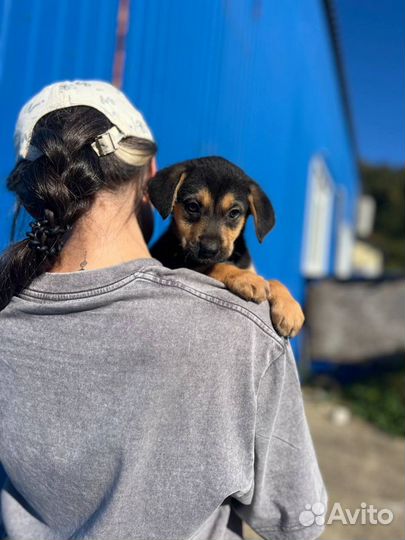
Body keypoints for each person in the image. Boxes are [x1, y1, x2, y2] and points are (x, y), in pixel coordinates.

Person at [0, 81, 327, 540]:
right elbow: (298, 520)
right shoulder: (246, 332)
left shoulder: (6, 318)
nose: (212, 234)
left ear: (32, 194)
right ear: (155, 180)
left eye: (231, 217)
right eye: (193, 210)